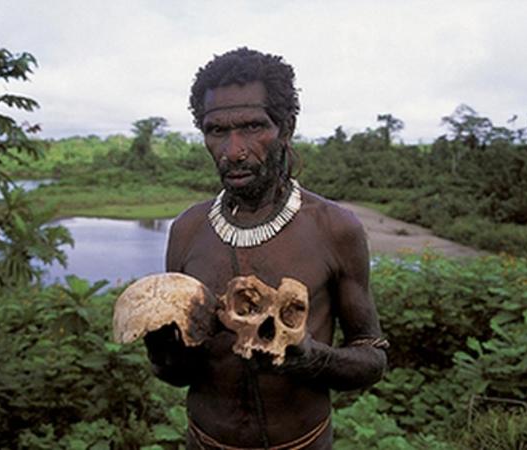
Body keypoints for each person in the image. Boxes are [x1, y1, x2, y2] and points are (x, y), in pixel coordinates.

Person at [144, 47, 388, 449]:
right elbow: (180, 374)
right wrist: (163, 355)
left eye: (253, 127)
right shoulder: (187, 230)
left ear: (286, 126)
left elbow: (372, 358)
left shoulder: (334, 229)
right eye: (217, 131)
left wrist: (312, 358)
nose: (234, 150)